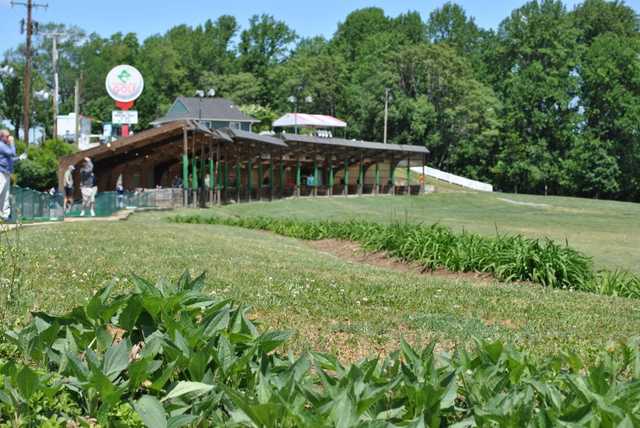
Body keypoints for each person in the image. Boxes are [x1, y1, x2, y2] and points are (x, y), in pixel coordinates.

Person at [0, 130, 27, 221]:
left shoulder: (5, 146)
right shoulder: (1, 145)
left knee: (5, 195)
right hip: (1, 172)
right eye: (7, 136)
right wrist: (12, 142)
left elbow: (10, 159)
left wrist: (19, 158)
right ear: (1, 137)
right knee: (1, 193)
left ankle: (5, 216)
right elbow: (12, 153)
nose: (9, 138)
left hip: (6, 173)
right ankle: (4, 215)